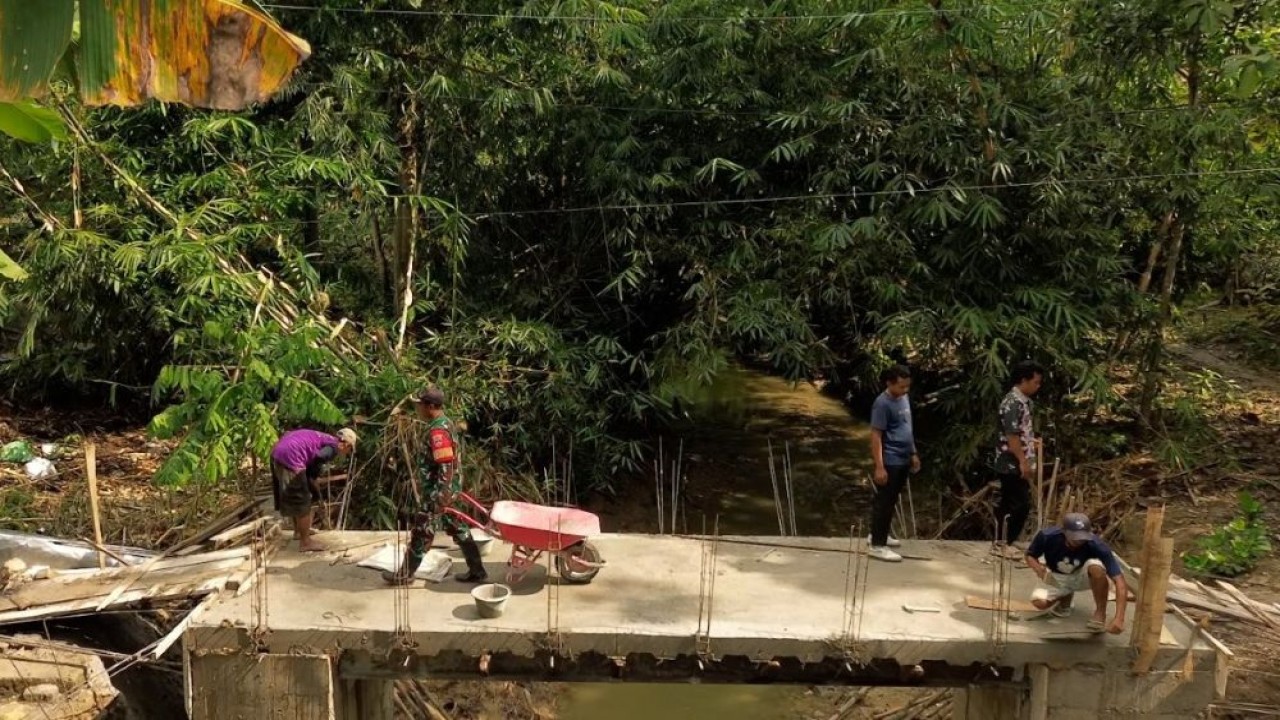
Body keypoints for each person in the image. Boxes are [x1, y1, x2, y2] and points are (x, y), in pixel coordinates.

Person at [383, 386, 488, 586]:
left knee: (422, 531)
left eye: (420, 405)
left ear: (430, 406)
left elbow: (445, 465)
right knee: (459, 529)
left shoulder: (438, 431)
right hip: (449, 491)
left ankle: (405, 574)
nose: (418, 409)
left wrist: (440, 496)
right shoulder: (445, 423)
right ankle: (477, 570)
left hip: (438, 493)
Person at [1024, 513, 1128, 634]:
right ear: (1063, 531)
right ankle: (1064, 599)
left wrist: (1119, 618)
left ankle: (1100, 612)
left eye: (1082, 537)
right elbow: (1029, 555)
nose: (1079, 541)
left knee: (1096, 568)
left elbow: (1120, 581)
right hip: (1057, 576)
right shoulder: (1047, 536)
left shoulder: (1096, 545)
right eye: (1075, 537)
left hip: (1082, 575)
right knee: (1039, 602)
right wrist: (1039, 569)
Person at [270, 427, 357, 552]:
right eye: (349, 450)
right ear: (346, 444)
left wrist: (310, 478)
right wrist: (312, 476)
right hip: (291, 456)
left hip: (278, 453)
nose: (347, 453)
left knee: (297, 498)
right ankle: (305, 542)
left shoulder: (326, 438)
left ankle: (299, 532)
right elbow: (318, 457)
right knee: (303, 499)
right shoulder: (333, 447)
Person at [868, 365, 920, 562]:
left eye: (907, 387)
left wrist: (913, 452)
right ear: (889, 383)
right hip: (890, 458)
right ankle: (877, 546)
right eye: (901, 387)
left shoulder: (903, 398)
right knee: (884, 502)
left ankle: (878, 534)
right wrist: (879, 466)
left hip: (904, 456)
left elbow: (907, 426)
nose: (904, 391)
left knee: (891, 500)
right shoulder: (882, 404)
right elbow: (876, 435)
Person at [992, 360, 1044, 554]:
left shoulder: (1023, 402)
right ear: (1024, 380)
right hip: (1010, 462)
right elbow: (1012, 436)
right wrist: (1023, 461)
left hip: (1018, 459)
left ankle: (1004, 541)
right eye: (1036, 382)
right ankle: (1004, 541)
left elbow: (1022, 432)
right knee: (1019, 503)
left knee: (1010, 501)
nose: (1038, 386)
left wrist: (1031, 443)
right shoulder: (1012, 403)